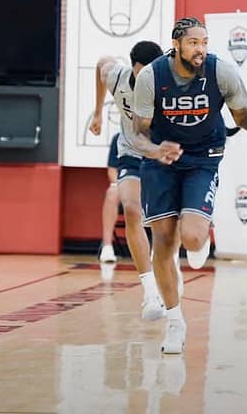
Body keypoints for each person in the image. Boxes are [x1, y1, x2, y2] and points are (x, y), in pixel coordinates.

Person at [131, 17, 247, 353]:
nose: (201, 49)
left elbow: (246, 119)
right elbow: (138, 132)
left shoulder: (221, 72)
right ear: (177, 43)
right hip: (161, 160)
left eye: (205, 42)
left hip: (203, 157)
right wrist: (156, 150)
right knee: (164, 242)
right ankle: (175, 320)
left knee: (192, 237)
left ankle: (200, 229)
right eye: (194, 43)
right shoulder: (152, 76)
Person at [90, 41, 168, 320]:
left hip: (161, 153)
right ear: (133, 68)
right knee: (132, 208)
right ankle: (149, 292)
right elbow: (101, 63)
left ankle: (176, 265)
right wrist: (98, 110)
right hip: (131, 152)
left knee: (168, 222)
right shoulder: (118, 76)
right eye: (142, 73)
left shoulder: (167, 84)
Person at [99, 132, 122, 264]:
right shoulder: (118, 138)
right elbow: (112, 171)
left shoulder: (155, 136)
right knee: (112, 193)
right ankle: (107, 247)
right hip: (127, 184)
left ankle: (159, 250)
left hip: (148, 185)